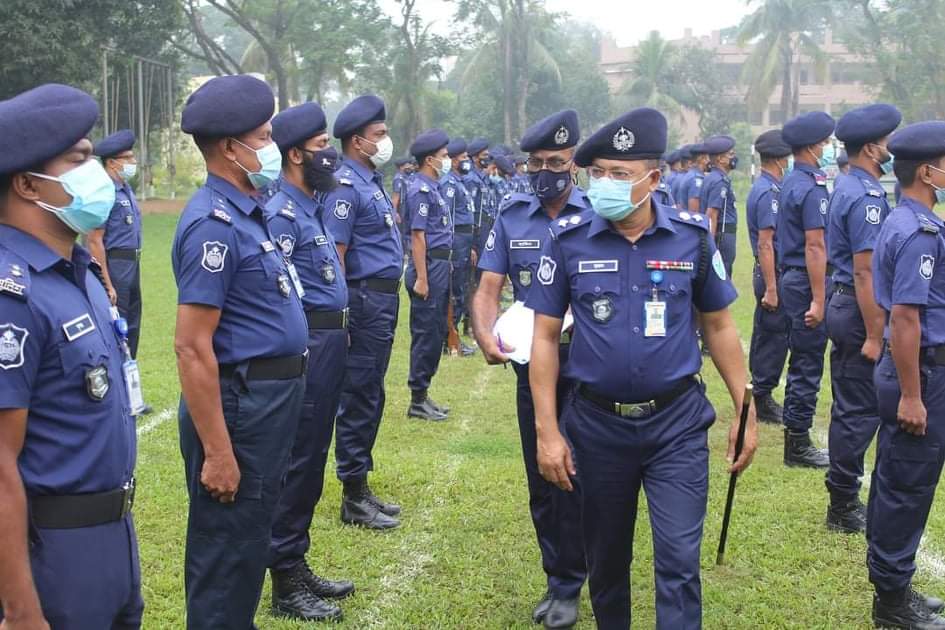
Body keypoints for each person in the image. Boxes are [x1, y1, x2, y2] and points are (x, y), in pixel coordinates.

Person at [527, 107, 757, 630]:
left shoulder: (692, 238)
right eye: (598, 173)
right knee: (607, 563)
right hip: (596, 428)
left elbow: (719, 326)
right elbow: (543, 338)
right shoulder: (567, 240)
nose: (604, 183)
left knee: (678, 562)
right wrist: (547, 431)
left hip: (676, 426)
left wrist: (745, 407)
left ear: (653, 180)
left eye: (620, 174)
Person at [0, 83, 143, 630]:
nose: (97, 173)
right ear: (27, 184)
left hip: (112, 536)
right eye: (78, 160)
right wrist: (21, 609)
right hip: (52, 554)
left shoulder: (75, 271)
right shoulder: (12, 294)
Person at [172, 74, 309, 628]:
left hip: (265, 405)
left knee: (248, 541)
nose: (272, 148)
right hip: (240, 409)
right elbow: (191, 347)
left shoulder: (250, 212)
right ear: (231, 148)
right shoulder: (214, 225)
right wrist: (218, 453)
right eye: (264, 137)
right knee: (226, 551)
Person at [473, 109, 589, 629]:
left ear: (574, 163)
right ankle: (560, 579)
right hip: (534, 365)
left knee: (585, 475)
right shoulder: (512, 215)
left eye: (556, 162)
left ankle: (582, 575)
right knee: (544, 475)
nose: (546, 172)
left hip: (590, 364)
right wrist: (483, 332)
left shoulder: (599, 213)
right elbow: (488, 288)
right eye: (536, 163)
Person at [265, 102, 354, 621]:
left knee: (313, 457)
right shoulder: (282, 212)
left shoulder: (310, 207)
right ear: (296, 155)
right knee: (298, 461)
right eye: (322, 147)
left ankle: (295, 561)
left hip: (329, 344)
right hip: (310, 346)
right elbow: (282, 296)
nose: (331, 155)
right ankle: (284, 579)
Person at [868, 120, 945, 629]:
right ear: (927, 172)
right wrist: (913, 396)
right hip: (920, 375)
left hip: (916, 371)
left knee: (898, 479)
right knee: (907, 487)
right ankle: (892, 604)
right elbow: (905, 318)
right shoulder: (918, 231)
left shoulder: (908, 219)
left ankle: (894, 587)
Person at [322, 94, 403, 530]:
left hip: (382, 300)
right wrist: (343, 314)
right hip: (364, 300)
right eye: (380, 134)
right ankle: (352, 494)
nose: (386, 140)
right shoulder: (345, 187)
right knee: (359, 394)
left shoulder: (370, 181)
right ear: (358, 141)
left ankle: (361, 484)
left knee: (371, 391)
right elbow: (335, 256)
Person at [824, 104, 901, 535]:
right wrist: (876, 333)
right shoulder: (866, 196)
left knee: (852, 405)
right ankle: (842, 503)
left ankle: (842, 495)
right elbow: (865, 270)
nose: (892, 148)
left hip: (847, 303)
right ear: (872, 149)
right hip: (858, 308)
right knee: (858, 409)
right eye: (887, 142)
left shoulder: (850, 184)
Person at [776, 111, 835, 468]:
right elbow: (815, 246)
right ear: (813, 146)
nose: (827, 149)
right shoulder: (811, 187)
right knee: (807, 361)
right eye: (825, 143)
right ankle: (797, 443)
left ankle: (796, 437)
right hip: (805, 280)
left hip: (794, 277)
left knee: (802, 358)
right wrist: (818, 298)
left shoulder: (792, 180)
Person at [404, 129, 453, 421]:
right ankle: (417, 399)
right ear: (429, 159)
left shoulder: (433, 187)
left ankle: (424, 394)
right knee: (425, 333)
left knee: (436, 332)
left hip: (440, 266)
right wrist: (422, 278)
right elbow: (418, 236)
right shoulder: (419, 190)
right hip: (429, 267)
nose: (447, 160)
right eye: (443, 156)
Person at [746, 129, 792, 424]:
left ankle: (760, 392)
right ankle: (762, 397)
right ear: (779, 159)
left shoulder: (767, 186)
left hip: (770, 272)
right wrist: (772, 288)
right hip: (770, 273)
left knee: (767, 333)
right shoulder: (768, 192)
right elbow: (766, 243)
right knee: (773, 336)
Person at [88, 130, 144, 359]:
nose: (133, 162)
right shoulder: (104, 192)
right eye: (128, 158)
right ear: (111, 162)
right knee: (117, 325)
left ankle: (130, 372)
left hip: (132, 265)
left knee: (133, 324)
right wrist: (106, 283)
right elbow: (94, 239)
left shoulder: (125, 189)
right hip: (116, 265)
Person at [441, 137, 477, 356]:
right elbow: (448, 218)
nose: (467, 161)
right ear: (454, 160)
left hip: (464, 241)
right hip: (456, 241)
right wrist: (452, 247)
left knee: (461, 288)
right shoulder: (449, 184)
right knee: (454, 291)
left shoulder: (459, 182)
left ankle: (452, 335)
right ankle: (450, 338)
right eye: (464, 158)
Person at [700, 134, 739, 278]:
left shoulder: (712, 177)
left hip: (722, 235)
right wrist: (711, 246)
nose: (734, 157)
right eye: (731, 154)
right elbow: (712, 214)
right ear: (720, 159)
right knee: (722, 276)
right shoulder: (719, 181)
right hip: (722, 236)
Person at [679, 142, 709, 213]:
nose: (709, 161)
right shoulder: (696, 179)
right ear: (701, 159)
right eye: (708, 158)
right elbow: (694, 212)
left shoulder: (691, 174)